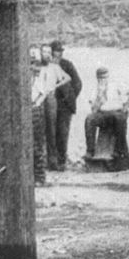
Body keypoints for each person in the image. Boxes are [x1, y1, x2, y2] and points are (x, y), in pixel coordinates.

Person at [84, 66, 129, 168]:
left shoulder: (115, 85)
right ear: (97, 78)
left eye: (104, 77)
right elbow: (93, 110)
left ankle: (119, 150)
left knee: (119, 119)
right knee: (89, 119)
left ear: (108, 77)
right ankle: (90, 150)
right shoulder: (95, 90)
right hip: (103, 115)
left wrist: (126, 106)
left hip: (116, 112)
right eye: (100, 78)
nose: (102, 80)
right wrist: (99, 98)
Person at [51, 40, 82, 171]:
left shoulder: (67, 65)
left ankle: (62, 161)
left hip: (64, 105)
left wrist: (70, 97)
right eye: (56, 51)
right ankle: (52, 161)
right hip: (51, 102)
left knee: (62, 132)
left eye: (60, 51)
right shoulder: (47, 65)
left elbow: (78, 83)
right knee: (51, 132)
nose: (58, 54)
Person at [39, 43, 70, 171]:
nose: (46, 54)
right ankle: (39, 161)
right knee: (39, 129)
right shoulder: (37, 67)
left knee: (51, 130)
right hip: (38, 99)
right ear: (40, 53)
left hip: (50, 99)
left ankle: (52, 161)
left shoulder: (54, 67)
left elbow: (67, 78)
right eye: (44, 52)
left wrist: (56, 87)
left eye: (48, 52)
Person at [29, 46, 47, 187]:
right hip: (24, 109)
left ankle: (39, 176)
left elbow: (43, 93)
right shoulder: (24, 76)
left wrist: (35, 105)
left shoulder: (38, 76)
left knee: (37, 145)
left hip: (34, 109)